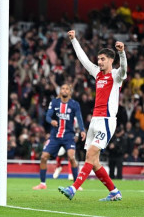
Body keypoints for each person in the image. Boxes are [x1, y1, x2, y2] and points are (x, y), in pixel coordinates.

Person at [59, 30, 127, 201]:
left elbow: (124, 69)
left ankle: (73, 189)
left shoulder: (116, 75)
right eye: (99, 59)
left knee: (90, 154)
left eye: (103, 59)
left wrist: (122, 53)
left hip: (106, 121)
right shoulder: (97, 73)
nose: (99, 62)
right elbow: (83, 59)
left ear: (111, 60)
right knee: (94, 161)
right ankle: (114, 192)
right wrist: (74, 40)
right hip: (95, 121)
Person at [32, 84, 86, 190]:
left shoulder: (74, 104)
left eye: (67, 89)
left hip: (68, 136)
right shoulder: (54, 102)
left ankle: (76, 185)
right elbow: (47, 116)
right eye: (63, 88)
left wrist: (82, 130)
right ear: (60, 91)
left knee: (71, 157)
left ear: (70, 92)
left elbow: (79, 118)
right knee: (43, 157)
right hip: (55, 136)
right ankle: (42, 184)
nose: (64, 90)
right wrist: (51, 121)